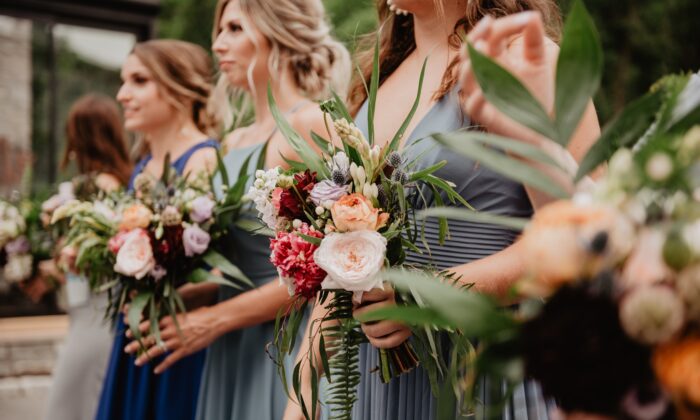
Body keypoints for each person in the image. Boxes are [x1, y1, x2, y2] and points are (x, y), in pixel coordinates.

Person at [285, 1, 600, 419]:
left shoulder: (525, 59)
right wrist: (303, 389)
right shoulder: (377, 80)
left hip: (483, 373)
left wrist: (422, 295)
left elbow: (583, 236)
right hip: (379, 387)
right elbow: (344, 254)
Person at [122, 1, 349, 419]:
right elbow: (234, 262)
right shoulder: (232, 141)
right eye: (218, 31)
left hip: (284, 342)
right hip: (229, 349)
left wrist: (212, 319)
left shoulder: (310, 124)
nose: (218, 44)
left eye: (234, 29)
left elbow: (329, 268)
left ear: (275, 30)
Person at [95, 39, 219, 420]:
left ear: (179, 87)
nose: (122, 94)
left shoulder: (203, 160)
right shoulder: (143, 164)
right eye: (123, 80)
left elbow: (219, 269)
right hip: (134, 329)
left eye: (138, 80)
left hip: (175, 339)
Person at [40, 94, 132, 420]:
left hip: (96, 311)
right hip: (88, 310)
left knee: (70, 405)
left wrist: (61, 259)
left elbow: (91, 255)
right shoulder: (116, 181)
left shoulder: (100, 186)